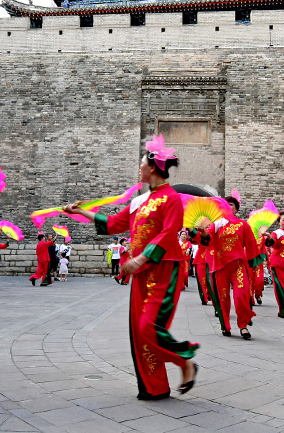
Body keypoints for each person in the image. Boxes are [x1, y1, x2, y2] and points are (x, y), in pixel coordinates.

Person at [63, 135, 197, 400]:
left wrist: (139, 259)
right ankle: (155, 387)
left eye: (141, 164)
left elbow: (169, 234)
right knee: (139, 330)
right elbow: (113, 223)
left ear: (154, 168)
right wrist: (81, 213)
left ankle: (185, 361)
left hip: (163, 269)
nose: (139, 168)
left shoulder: (171, 199)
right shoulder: (139, 201)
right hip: (140, 274)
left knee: (149, 326)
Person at [191, 192, 260, 339]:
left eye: (231, 204)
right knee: (222, 298)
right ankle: (226, 326)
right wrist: (199, 230)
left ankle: (243, 326)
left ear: (236, 209)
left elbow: (251, 244)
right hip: (219, 266)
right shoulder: (216, 225)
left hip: (238, 266)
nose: (227, 207)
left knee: (241, 296)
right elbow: (205, 240)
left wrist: (253, 263)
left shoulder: (243, 225)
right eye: (224, 205)